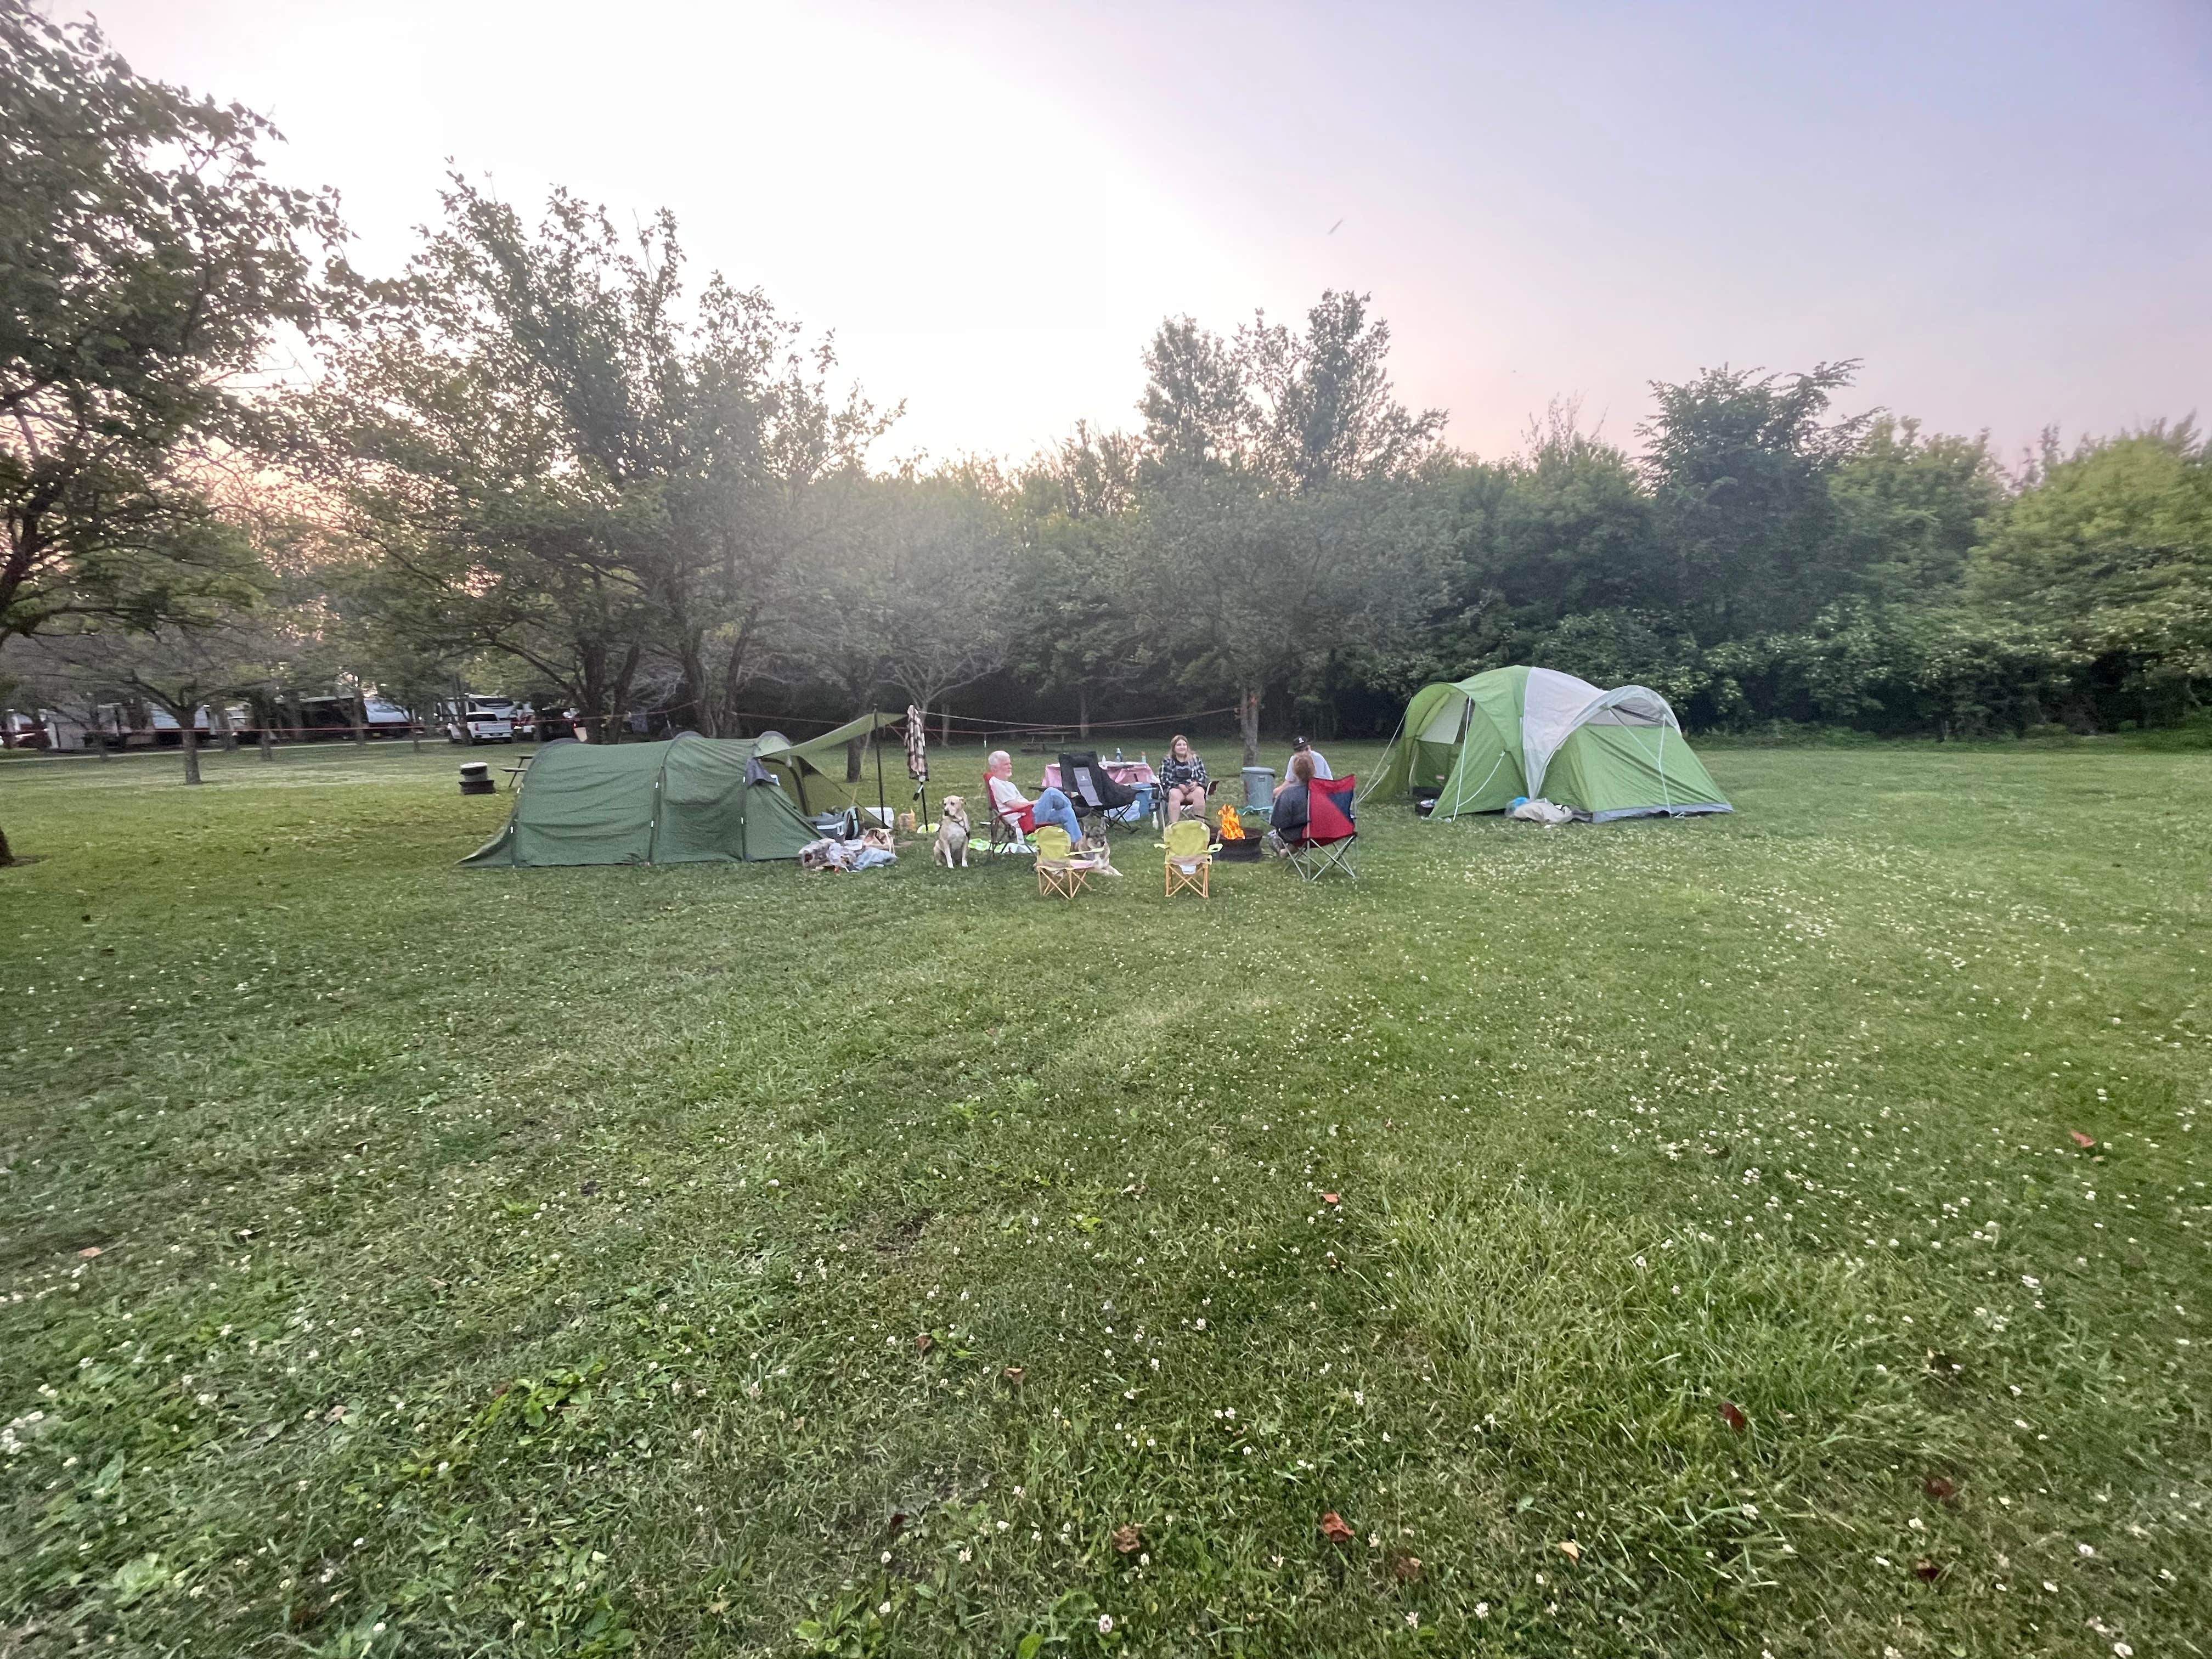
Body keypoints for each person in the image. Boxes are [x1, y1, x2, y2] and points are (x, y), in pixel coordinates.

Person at [985, 749, 1090, 848]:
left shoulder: (1008, 784)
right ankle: (1073, 804)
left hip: (1029, 814)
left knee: (1067, 812)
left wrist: (1036, 804)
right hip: (1025, 821)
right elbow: (1016, 806)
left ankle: (1077, 846)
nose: (1010, 766)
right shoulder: (997, 783)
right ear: (995, 768)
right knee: (1050, 792)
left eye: (1010, 763)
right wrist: (1035, 803)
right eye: (1006, 764)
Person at [1156, 733, 1209, 823]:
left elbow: (1204, 776)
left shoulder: (1195, 759)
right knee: (1174, 794)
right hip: (1176, 789)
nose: (1182, 747)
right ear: (1174, 748)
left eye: (1184, 745)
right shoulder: (1167, 760)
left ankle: (1200, 824)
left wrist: (1196, 783)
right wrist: (1179, 786)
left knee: (1200, 792)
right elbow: (1164, 778)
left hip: (1192, 789)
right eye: (1179, 745)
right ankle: (1174, 825)